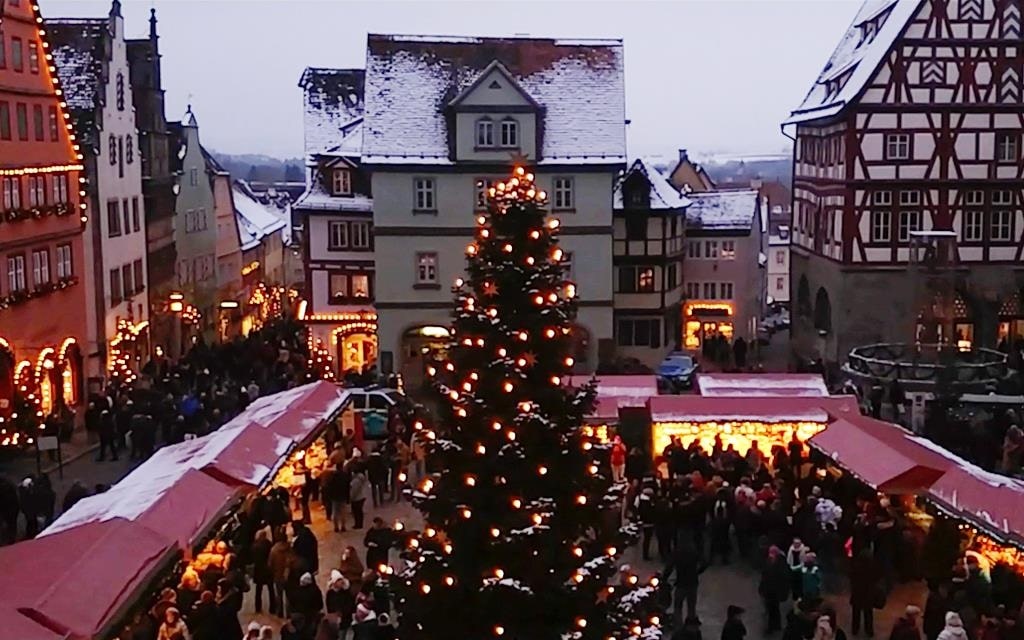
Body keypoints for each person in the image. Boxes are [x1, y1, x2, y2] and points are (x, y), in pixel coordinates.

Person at [664, 539, 707, 626]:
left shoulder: (677, 553)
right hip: (693, 582)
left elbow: (669, 567)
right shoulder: (694, 552)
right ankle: (690, 623)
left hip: (681, 583)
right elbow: (705, 563)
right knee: (691, 605)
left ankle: (678, 625)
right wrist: (698, 572)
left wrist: (664, 577)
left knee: (678, 606)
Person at [849, 549, 880, 638]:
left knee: (856, 613)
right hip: (868, 594)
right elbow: (876, 578)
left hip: (857, 593)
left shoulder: (855, 567)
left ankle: (855, 629)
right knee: (868, 614)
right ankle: (869, 631)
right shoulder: (872, 568)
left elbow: (851, 578)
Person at [760, 546, 790, 634]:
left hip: (775, 591)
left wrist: (783, 592)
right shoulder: (768, 562)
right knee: (771, 609)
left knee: (773, 609)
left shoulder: (781, 564)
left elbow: (784, 579)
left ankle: (773, 626)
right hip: (768, 590)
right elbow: (764, 576)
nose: (771, 556)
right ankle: (774, 626)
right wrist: (761, 588)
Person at [269, 531, 294, 617]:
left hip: (278, 575)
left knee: (279, 595)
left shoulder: (274, 550)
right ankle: (289, 613)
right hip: (288, 575)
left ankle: (279, 612)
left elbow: (270, 564)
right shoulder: (289, 548)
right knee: (288, 595)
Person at [250, 529, 275, 615]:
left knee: (258, 589)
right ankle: (272, 608)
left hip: (259, 569)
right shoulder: (269, 544)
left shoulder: (255, 545)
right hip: (268, 569)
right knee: (271, 589)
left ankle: (258, 607)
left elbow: (252, 557)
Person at [326, 570, 355, 640]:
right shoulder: (330, 594)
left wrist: (343, 613)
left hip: (345, 620)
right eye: (339, 580)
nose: (341, 582)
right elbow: (329, 606)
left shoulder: (346, 593)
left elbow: (350, 605)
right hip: (335, 621)